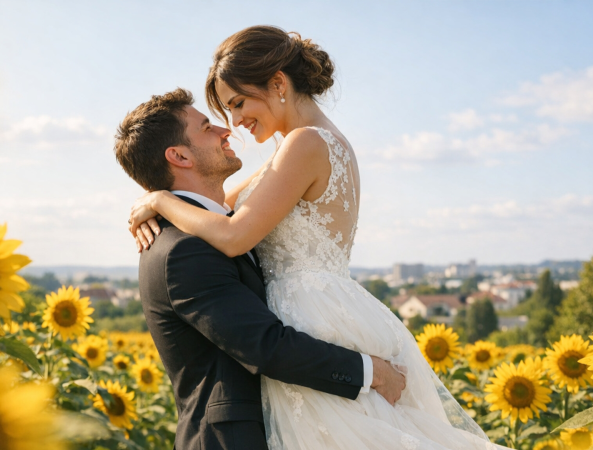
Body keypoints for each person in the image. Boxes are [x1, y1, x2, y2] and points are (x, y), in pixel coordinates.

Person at [128, 26, 511, 450]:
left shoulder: (305, 144)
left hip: (311, 315)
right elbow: (215, 207)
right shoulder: (295, 150)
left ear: (278, 83)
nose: (234, 122)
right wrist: (163, 195)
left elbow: (233, 233)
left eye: (237, 103)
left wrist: (161, 200)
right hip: (320, 311)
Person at [114, 88, 406, 450]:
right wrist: (372, 372)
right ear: (179, 156)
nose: (226, 129)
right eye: (207, 127)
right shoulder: (182, 251)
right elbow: (265, 346)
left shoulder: (221, 225)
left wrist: (159, 199)